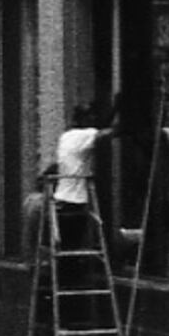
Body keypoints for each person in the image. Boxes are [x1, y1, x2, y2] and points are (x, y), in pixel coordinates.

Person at [50, 98, 107, 256]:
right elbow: (107, 134)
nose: (93, 119)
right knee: (75, 246)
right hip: (75, 201)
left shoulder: (66, 136)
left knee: (66, 247)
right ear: (83, 119)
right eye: (90, 116)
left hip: (60, 199)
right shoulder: (86, 134)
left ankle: (65, 274)